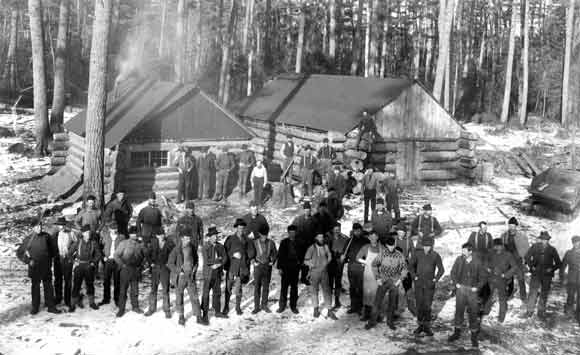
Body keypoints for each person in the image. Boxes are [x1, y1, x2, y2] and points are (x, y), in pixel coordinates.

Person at [16, 220, 61, 315]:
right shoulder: (28, 239)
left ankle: (51, 306)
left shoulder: (46, 236)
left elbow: (53, 250)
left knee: (48, 286)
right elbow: (19, 253)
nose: (39, 228)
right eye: (37, 227)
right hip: (34, 267)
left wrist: (49, 259)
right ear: (33, 228)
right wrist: (28, 261)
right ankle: (35, 307)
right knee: (35, 287)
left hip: (46, 266)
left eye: (40, 226)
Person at [448, 242, 487, 348]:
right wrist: (456, 284)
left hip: (472, 291)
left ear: (470, 252)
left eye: (464, 251)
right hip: (461, 290)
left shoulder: (478, 262)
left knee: (473, 313)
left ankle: (474, 336)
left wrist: (477, 287)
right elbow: (453, 272)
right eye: (462, 250)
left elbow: (483, 277)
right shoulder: (459, 260)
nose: (462, 252)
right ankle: (456, 333)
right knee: (459, 311)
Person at [364, 236, 407, 330]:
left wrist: (400, 280)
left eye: (393, 246)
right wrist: (377, 278)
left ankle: (390, 322)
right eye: (389, 246)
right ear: (387, 245)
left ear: (395, 245)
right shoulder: (382, 254)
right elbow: (374, 264)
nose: (391, 248)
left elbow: (404, 269)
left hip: (394, 281)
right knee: (377, 302)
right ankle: (372, 321)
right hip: (383, 280)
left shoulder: (399, 255)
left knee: (392, 303)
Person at [167, 229, 206, 326]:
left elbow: (196, 260)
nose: (188, 240)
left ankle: (198, 316)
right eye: (186, 238)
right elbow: (169, 263)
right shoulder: (176, 249)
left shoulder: (192, 248)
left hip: (190, 277)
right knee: (179, 297)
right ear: (182, 238)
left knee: (194, 296)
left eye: (189, 238)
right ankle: (181, 316)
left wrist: (194, 270)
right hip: (180, 278)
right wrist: (178, 271)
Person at [408, 237, 444, 336]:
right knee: (419, 304)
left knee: (427, 305)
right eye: (425, 246)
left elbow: (441, 269)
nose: (426, 248)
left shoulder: (435, 255)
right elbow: (410, 266)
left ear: (431, 246)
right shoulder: (417, 254)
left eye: (428, 246)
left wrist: (435, 279)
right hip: (419, 283)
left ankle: (427, 326)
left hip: (429, 284)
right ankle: (420, 326)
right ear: (422, 246)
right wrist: (414, 276)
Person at [524, 231, 561, 319]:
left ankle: (541, 312)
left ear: (548, 240)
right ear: (541, 239)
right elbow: (527, 257)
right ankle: (529, 311)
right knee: (533, 292)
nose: (544, 241)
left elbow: (558, 263)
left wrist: (551, 269)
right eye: (543, 239)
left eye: (546, 240)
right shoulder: (535, 247)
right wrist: (531, 266)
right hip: (536, 273)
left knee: (544, 293)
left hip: (547, 275)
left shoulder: (552, 249)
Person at [223, 218, 253, 315]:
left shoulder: (247, 240)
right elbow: (224, 252)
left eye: (242, 228)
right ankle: (226, 306)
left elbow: (252, 252)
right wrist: (233, 254)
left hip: (241, 267)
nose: (240, 230)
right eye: (239, 228)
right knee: (228, 286)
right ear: (236, 228)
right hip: (232, 267)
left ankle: (238, 307)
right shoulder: (230, 239)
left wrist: (246, 258)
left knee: (238, 288)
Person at [304, 233, 338, 320]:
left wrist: (327, 261)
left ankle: (329, 310)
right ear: (316, 238)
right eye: (319, 237)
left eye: (322, 237)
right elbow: (305, 261)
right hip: (314, 272)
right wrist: (313, 264)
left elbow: (329, 255)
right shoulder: (311, 248)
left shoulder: (325, 246)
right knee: (314, 291)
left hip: (324, 272)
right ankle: (316, 309)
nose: (321, 239)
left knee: (327, 291)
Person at [483, 239, 517, 323]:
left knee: (502, 299)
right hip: (491, 278)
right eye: (495, 246)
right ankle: (486, 311)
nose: (496, 248)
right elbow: (485, 262)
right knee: (489, 296)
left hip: (502, 280)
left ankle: (501, 317)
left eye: (498, 246)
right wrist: (488, 268)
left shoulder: (508, 255)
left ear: (502, 246)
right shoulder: (491, 253)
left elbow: (514, 267)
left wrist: (505, 275)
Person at [114, 228, 146, 317]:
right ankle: (121, 309)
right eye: (132, 234)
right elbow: (116, 255)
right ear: (129, 234)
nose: (134, 235)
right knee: (123, 290)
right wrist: (122, 265)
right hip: (125, 269)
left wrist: (141, 266)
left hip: (136, 270)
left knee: (135, 290)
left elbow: (144, 256)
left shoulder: (140, 245)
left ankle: (135, 307)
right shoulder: (124, 243)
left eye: (135, 234)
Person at [70, 225, 102, 312]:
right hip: (79, 266)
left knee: (90, 285)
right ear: (83, 234)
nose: (88, 234)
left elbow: (98, 254)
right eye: (86, 233)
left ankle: (92, 303)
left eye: (89, 232)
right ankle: (72, 304)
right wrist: (74, 262)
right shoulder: (78, 242)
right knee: (76, 285)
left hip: (89, 266)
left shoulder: (93, 243)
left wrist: (93, 262)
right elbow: (69, 253)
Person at [145, 230, 175, 318]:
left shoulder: (170, 243)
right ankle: (151, 308)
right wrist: (151, 263)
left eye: (162, 235)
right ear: (157, 236)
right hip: (155, 269)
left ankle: (167, 310)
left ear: (164, 235)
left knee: (165, 290)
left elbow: (174, 255)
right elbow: (147, 254)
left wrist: (169, 264)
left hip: (165, 269)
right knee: (153, 289)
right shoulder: (153, 243)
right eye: (158, 235)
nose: (160, 237)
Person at [201, 225, 228, 321]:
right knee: (206, 294)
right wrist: (218, 259)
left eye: (216, 236)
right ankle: (204, 314)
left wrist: (219, 264)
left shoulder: (220, 246)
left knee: (217, 293)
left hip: (217, 273)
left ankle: (217, 312)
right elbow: (207, 260)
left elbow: (225, 258)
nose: (215, 237)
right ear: (209, 237)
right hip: (208, 274)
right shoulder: (205, 247)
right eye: (213, 236)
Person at [356, 229, 384, 322]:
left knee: (377, 294)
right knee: (367, 294)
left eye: (375, 237)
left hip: (378, 274)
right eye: (371, 237)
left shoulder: (382, 248)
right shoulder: (366, 247)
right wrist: (366, 262)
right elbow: (358, 258)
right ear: (368, 238)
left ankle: (377, 315)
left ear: (377, 237)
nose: (373, 239)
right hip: (368, 273)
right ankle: (366, 314)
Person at [250, 224, 278, 314]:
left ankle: (264, 305)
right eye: (262, 235)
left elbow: (275, 254)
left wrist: (272, 261)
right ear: (259, 234)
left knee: (266, 287)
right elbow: (251, 254)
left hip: (267, 267)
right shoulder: (255, 242)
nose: (264, 237)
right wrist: (253, 261)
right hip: (258, 267)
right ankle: (256, 307)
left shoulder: (271, 243)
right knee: (257, 287)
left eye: (266, 235)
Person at [501, 217, 529, 300]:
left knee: (520, 278)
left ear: (516, 226)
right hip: (508, 260)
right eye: (510, 226)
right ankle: (509, 294)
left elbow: (527, 248)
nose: (512, 228)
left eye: (513, 226)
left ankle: (523, 296)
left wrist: (526, 260)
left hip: (518, 260)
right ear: (508, 226)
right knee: (508, 278)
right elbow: (501, 247)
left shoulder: (521, 236)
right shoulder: (504, 236)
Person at [344, 223, 370, 315]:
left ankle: (360, 307)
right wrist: (344, 258)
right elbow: (345, 253)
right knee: (352, 287)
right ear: (353, 231)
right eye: (355, 230)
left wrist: (366, 262)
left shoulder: (366, 241)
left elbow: (369, 254)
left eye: (359, 230)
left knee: (360, 287)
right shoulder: (349, 241)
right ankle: (353, 306)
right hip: (351, 266)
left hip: (361, 267)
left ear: (361, 230)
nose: (357, 232)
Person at [277, 225, 301, 314]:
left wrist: (300, 265)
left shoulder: (299, 242)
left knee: (294, 288)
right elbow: (280, 255)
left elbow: (302, 255)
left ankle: (293, 306)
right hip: (285, 268)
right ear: (288, 233)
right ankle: (282, 306)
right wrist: (279, 267)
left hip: (295, 268)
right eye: (290, 232)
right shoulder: (284, 242)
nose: (292, 234)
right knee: (284, 288)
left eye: (294, 232)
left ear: (296, 233)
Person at [99, 222, 123, 307]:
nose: (114, 230)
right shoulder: (105, 236)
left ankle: (117, 299)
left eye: (115, 229)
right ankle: (106, 298)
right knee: (106, 281)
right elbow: (100, 248)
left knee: (117, 281)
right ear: (109, 229)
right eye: (112, 229)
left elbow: (124, 249)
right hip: (108, 261)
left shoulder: (121, 237)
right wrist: (103, 257)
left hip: (117, 261)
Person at [53, 217, 76, 308]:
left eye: (62, 225)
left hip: (67, 259)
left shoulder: (71, 233)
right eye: (59, 225)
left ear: (64, 225)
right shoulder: (54, 235)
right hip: (57, 259)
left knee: (68, 280)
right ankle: (58, 297)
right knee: (57, 279)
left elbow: (76, 244)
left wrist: (71, 254)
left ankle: (67, 300)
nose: (60, 227)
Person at [292, 201, 317, 284]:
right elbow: (292, 230)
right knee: (297, 262)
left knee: (306, 262)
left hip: (309, 245)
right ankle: (295, 278)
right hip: (299, 245)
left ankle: (304, 278)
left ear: (310, 210)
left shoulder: (313, 220)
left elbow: (317, 233)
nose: (307, 211)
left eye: (308, 210)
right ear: (303, 210)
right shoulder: (298, 220)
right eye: (306, 210)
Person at [326, 222, 349, 309]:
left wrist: (345, 257)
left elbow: (348, 251)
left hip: (339, 263)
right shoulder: (328, 238)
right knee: (330, 283)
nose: (337, 231)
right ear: (332, 230)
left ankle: (337, 300)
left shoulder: (344, 238)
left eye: (338, 230)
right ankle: (329, 301)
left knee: (338, 282)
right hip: (331, 263)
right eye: (335, 230)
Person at [560, 235, 580, 322]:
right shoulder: (569, 253)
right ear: (573, 243)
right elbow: (563, 266)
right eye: (575, 242)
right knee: (570, 296)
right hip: (571, 278)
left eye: (578, 242)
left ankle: (578, 315)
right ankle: (568, 313)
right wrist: (563, 278)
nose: (577, 244)